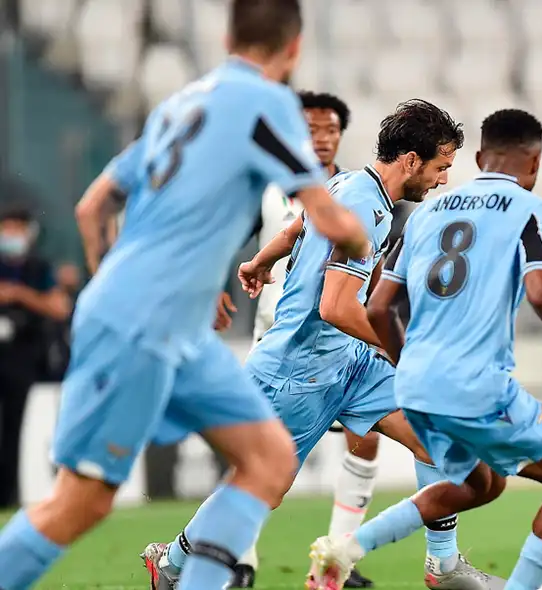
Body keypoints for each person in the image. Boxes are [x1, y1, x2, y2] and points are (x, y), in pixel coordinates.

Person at [0, 0, 371, 588]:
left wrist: (114, 281)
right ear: (294, 48)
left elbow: (93, 205)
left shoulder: (181, 104)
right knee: (83, 502)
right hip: (142, 321)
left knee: (268, 459)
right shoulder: (268, 103)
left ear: (228, 36)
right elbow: (335, 220)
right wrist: (361, 238)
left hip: (177, 327)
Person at [145, 99, 500, 590]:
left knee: (436, 431)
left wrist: (260, 262)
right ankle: (174, 561)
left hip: (347, 363)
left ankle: (443, 566)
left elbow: (298, 226)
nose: (442, 180)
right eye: (441, 167)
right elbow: (335, 307)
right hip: (296, 370)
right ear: (412, 160)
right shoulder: (361, 203)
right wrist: (406, 349)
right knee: (260, 490)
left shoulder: (351, 186)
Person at [305, 108, 542, 590]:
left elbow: (381, 306)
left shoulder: (428, 212)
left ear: (477, 157)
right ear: (533, 164)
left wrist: (411, 366)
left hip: (415, 385)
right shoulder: (532, 210)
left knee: (479, 485)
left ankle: (345, 548)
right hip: (477, 384)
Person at [231, 88, 378, 589]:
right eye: (311, 129)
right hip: (279, 342)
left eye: (330, 130)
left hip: (337, 345)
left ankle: (334, 560)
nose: (321, 138)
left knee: (367, 437)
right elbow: (229, 237)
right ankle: (240, 559)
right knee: (260, 459)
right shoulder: (268, 187)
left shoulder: (351, 190)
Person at [0, 206, 71, 509]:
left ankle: (7, 496)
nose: (11, 234)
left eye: (18, 228)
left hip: (23, 357)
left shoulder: (38, 268)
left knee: (13, 428)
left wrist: (18, 294)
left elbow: (59, 307)